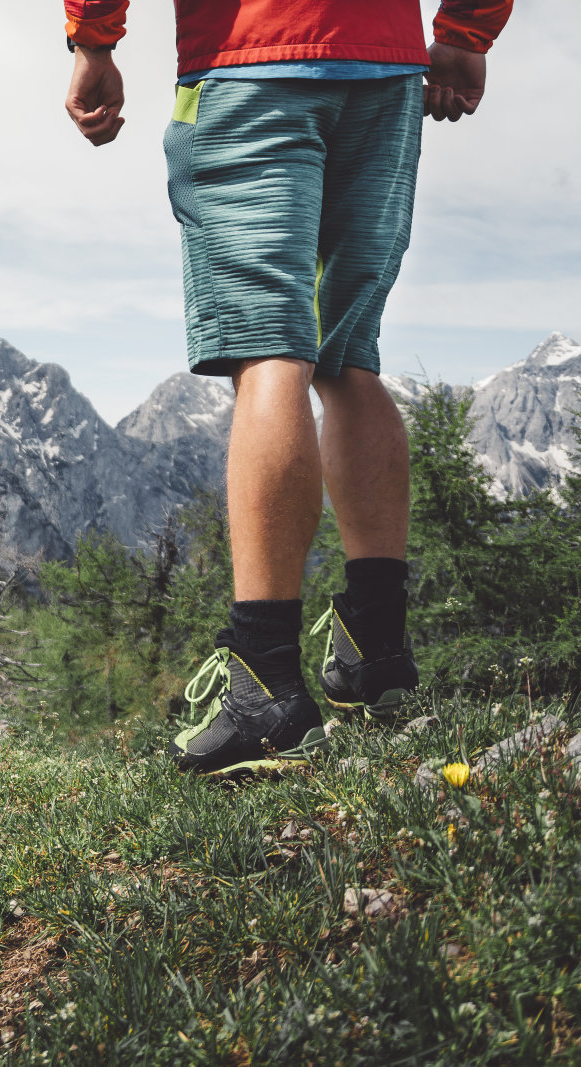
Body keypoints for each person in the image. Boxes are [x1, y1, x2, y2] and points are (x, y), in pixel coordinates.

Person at [61, 0, 514, 776]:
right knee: (348, 359)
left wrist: (93, 41)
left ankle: (266, 680)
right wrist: (465, 35)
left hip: (249, 62)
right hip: (385, 70)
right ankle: (376, 654)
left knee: (270, 353)